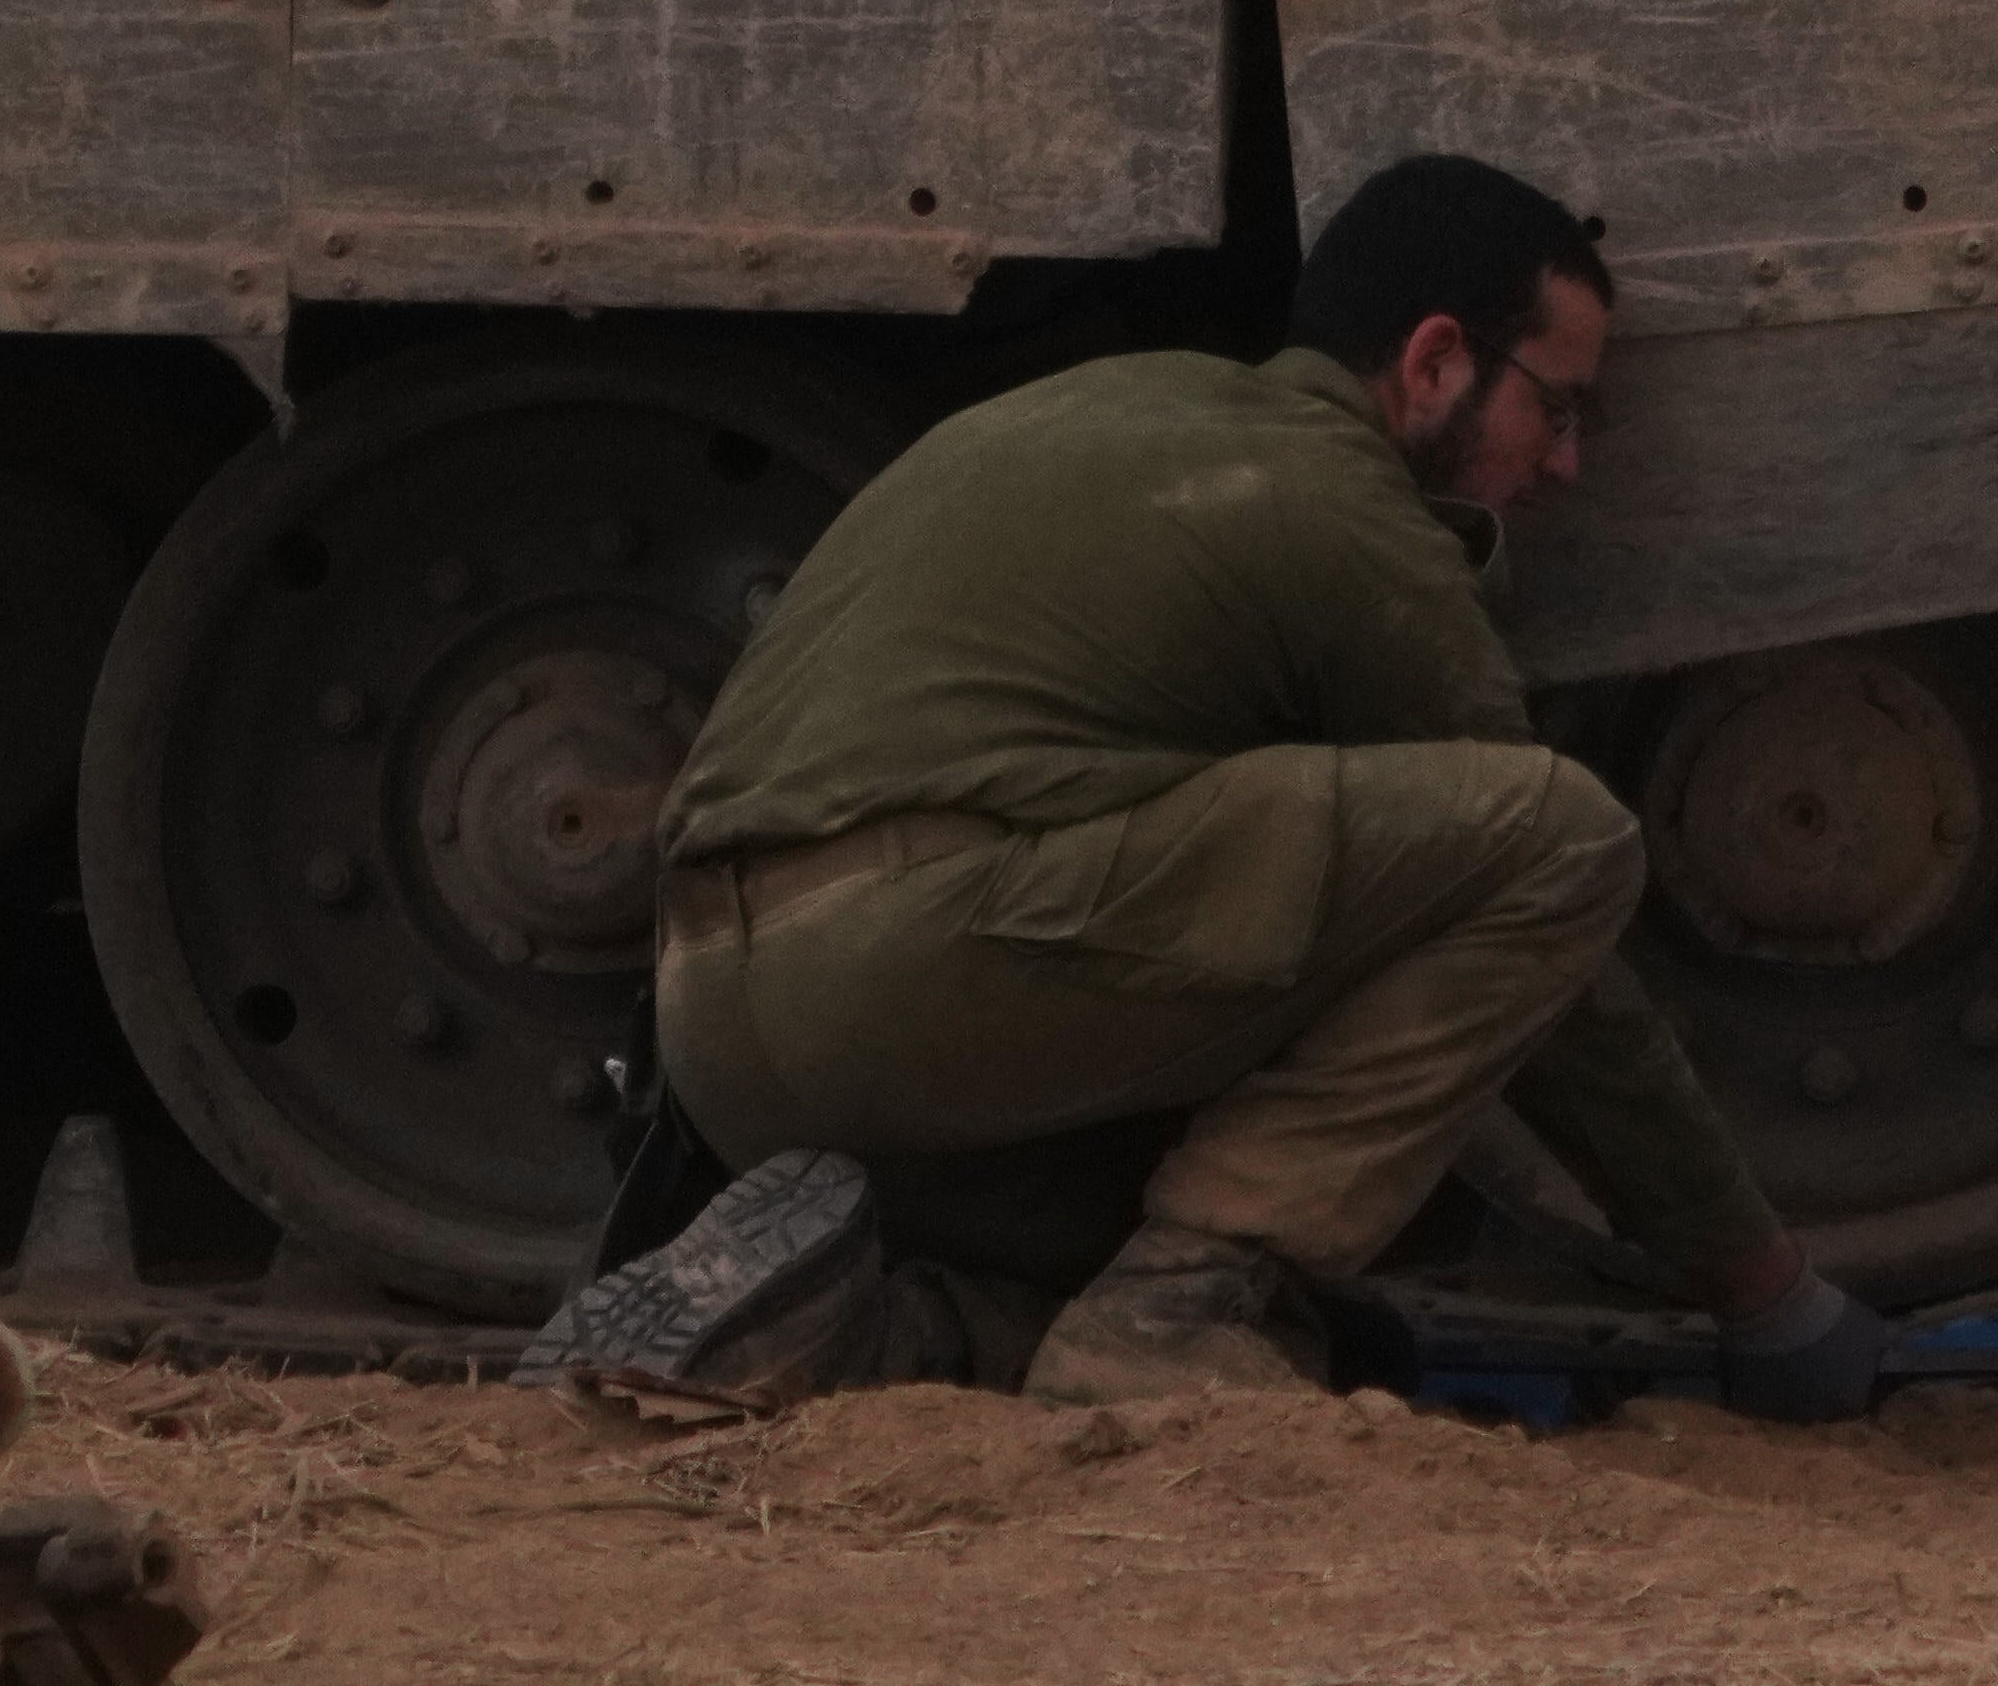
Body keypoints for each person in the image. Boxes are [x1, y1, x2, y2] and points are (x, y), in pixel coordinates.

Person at [579, 153, 1880, 1417]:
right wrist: (1764, 1291)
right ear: (1435, 364)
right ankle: (1173, 1315)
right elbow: (1561, 967)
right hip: (905, 975)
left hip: (714, 1028)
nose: (1566, 464)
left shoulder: (1107, 408)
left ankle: (853, 1336)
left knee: (1315, 1336)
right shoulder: (1338, 509)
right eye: (1560, 405)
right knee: (1556, 840)